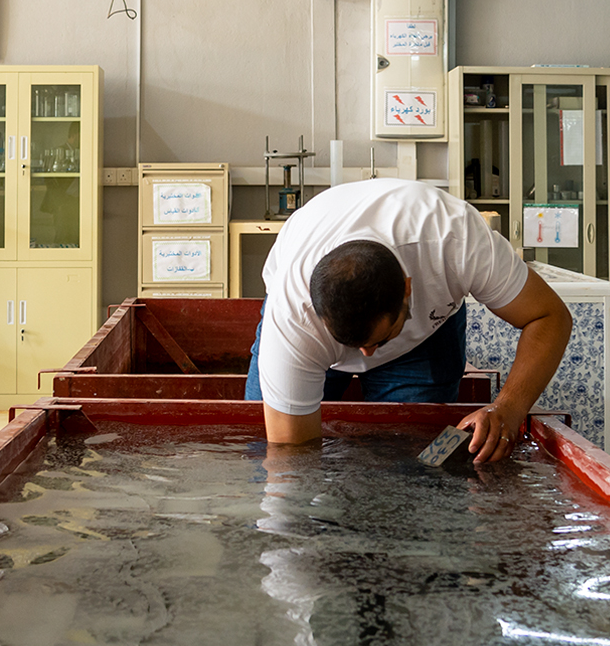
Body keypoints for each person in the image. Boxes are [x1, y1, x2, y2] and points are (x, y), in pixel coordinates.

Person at [245, 177, 572, 462]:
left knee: (411, 466)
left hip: (424, 339)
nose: (367, 355)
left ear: (407, 289)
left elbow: (549, 316)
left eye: (380, 340)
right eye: (351, 344)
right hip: (306, 334)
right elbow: (290, 460)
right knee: (266, 454)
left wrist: (509, 408)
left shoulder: (457, 241)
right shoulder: (292, 315)